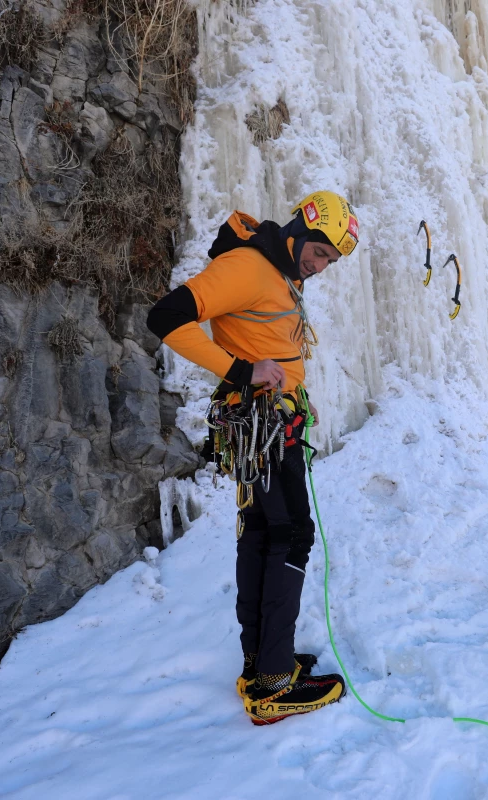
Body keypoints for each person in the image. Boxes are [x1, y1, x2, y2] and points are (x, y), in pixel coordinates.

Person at [147, 191, 360, 725]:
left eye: (330, 261)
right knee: (290, 535)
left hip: (266, 422)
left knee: (264, 533)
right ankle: (271, 684)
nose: (321, 266)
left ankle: (265, 664)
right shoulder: (249, 267)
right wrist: (241, 370)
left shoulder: (277, 269)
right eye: (319, 252)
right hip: (263, 423)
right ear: (298, 231)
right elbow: (167, 316)